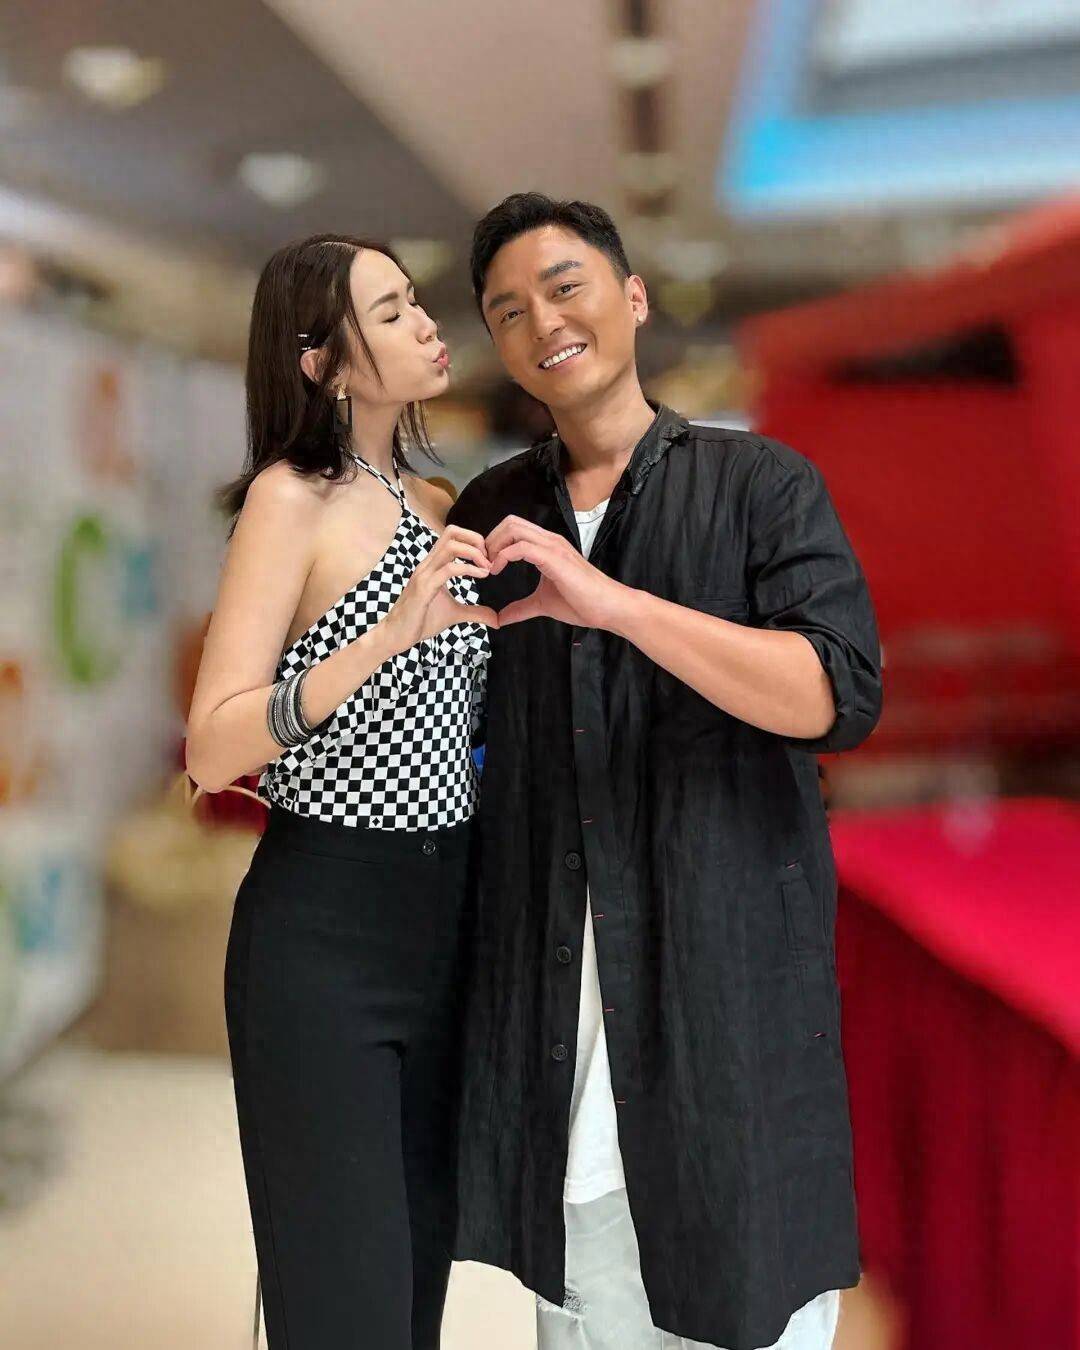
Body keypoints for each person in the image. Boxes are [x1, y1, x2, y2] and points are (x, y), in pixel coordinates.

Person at [447, 194, 882, 1350]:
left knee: (750, 1307)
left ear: (633, 298)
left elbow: (836, 695)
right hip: (559, 1045)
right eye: (508, 310)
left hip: (724, 1031)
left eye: (566, 286)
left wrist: (616, 606)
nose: (544, 321)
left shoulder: (762, 485)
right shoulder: (494, 515)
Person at [185, 233, 496, 1350]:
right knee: (346, 1309)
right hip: (325, 927)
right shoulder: (291, 500)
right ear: (322, 362)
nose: (427, 323)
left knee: (415, 1301)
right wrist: (383, 637)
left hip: (447, 924)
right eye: (391, 311)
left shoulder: (437, 501)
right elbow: (211, 746)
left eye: (416, 301)